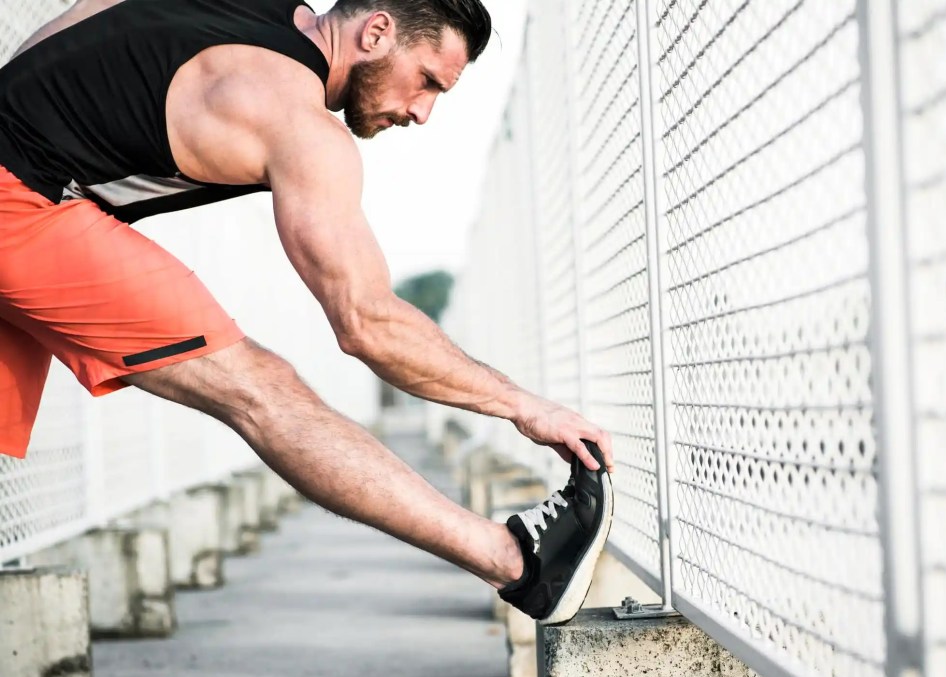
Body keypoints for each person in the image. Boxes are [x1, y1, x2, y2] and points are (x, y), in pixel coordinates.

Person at [0, 0, 614, 625]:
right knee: (262, 391)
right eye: (427, 80)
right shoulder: (301, 124)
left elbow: (71, 26)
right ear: (376, 31)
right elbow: (367, 323)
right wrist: (524, 406)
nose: (423, 112)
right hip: (21, 202)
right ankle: (520, 564)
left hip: (23, 169)